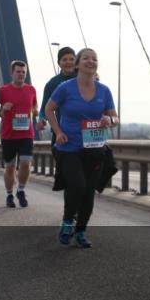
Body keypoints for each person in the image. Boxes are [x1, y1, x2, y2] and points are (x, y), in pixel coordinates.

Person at [45, 48, 118, 249]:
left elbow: (115, 118)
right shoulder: (65, 88)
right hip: (69, 147)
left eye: (94, 58)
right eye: (86, 58)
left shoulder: (104, 90)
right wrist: (58, 131)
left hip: (94, 149)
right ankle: (68, 222)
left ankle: (81, 231)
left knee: (88, 193)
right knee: (76, 185)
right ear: (77, 64)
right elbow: (49, 109)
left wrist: (108, 119)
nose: (91, 61)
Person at [0, 60, 38, 208]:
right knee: (10, 167)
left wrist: (35, 111)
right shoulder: (2, 91)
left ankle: (20, 190)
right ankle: (9, 194)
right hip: (8, 135)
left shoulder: (31, 89)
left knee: (26, 164)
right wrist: (3, 109)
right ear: (12, 73)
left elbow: (34, 104)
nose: (21, 74)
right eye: (18, 72)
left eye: (23, 72)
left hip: (26, 134)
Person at [37, 47, 77, 144]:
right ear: (59, 63)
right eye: (64, 59)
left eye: (72, 59)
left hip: (83, 132)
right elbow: (44, 109)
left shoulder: (85, 80)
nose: (68, 62)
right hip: (61, 133)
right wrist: (42, 119)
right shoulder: (52, 83)